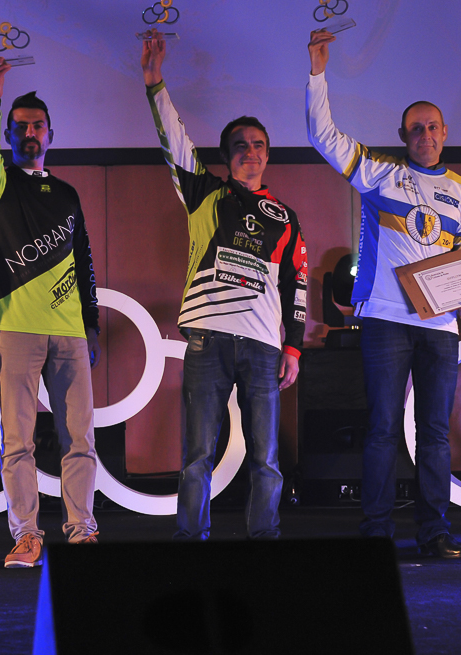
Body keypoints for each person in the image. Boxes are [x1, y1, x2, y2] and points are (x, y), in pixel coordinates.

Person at [305, 30, 461, 558]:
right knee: (383, 429)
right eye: (415, 128)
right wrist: (318, 71)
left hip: (441, 328)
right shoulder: (380, 174)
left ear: (444, 132)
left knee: (435, 434)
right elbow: (322, 135)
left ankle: (435, 532)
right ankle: (377, 531)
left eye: (432, 127)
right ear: (402, 135)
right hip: (386, 320)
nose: (424, 134)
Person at [141, 31, 308, 541]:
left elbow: (297, 285)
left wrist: (294, 348)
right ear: (225, 155)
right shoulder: (203, 192)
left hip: (262, 345)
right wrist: (154, 82)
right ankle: (191, 538)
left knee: (266, 457)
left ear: (268, 155)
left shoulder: (285, 217)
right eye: (240, 146)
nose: (250, 153)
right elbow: (173, 137)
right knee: (197, 455)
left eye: (258, 146)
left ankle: (264, 538)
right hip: (207, 339)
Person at [0, 56, 102, 567]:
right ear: (8, 134)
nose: (30, 133)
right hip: (15, 329)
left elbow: (84, 262)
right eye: (21, 126)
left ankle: (82, 530)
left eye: (38, 126)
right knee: (18, 442)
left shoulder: (68, 194)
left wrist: (90, 324)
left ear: (51, 134)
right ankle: (26, 535)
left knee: (80, 440)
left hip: (70, 331)